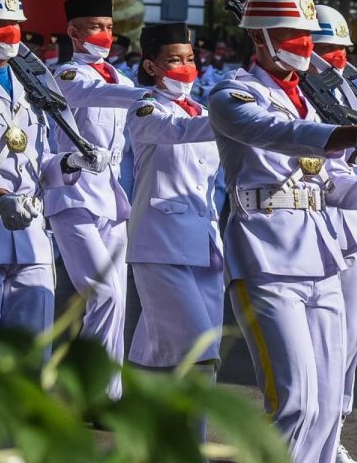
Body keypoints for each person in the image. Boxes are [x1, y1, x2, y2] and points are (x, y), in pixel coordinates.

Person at [207, 0, 357, 463]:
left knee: (326, 407)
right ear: (258, 38)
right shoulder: (231, 95)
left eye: (306, 34)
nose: (304, 45)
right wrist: (353, 132)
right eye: (289, 35)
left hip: (321, 256)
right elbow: (282, 134)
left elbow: (331, 184)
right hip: (265, 257)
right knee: (293, 402)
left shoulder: (308, 99)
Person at [0, 0, 110, 357]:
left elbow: (38, 158)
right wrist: (0, 197)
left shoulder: (32, 82)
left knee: (33, 356)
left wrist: (71, 162)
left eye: (16, 24)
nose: (11, 33)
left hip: (30, 235)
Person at [46, 0, 148, 399]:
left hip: (111, 198)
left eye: (108, 27)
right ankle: (94, 391)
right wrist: (151, 95)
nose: (104, 35)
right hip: (72, 198)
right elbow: (93, 96)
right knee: (103, 294)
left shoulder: (121, 80)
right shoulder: (66, 75)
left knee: (117, 299)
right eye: (94, 27)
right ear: (72, 32)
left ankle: (105, 390)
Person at [125, 23, 223, 420]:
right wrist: (237, 119)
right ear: (150, 65)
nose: (185, 67)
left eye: (189, 59)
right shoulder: (144, 106)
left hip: (205, 246)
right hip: (161, 245)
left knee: (194, 361)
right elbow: (176, 132)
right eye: (173, 60)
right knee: (196, 354)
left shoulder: (201, 109)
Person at [312, 3, 357, 463]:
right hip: (312, 226)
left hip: (351, 228)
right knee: (317, 345)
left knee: (349, 343)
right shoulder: (295, 95)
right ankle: (308, 436)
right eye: (328, 50)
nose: (337, 60)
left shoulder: (351, 92)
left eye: (342, 51)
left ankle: (335, 432)